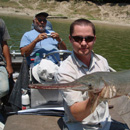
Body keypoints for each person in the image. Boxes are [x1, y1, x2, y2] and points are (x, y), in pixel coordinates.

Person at [55, 19, 129, 130]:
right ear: (70, 39)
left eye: (88, 38)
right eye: (78, 38)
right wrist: (96, 97)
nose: (84, 43)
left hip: (105, 123)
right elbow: (77, 115)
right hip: (79, 126)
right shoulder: (64, 70)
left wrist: (121, 90)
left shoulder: (102, 61)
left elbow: (113, 92)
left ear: (94, 39)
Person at [0, 18, 13, 99]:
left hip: (0, 63)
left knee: (4, 89)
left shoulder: (1, 22)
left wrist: (8, 65)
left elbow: (4, 44)